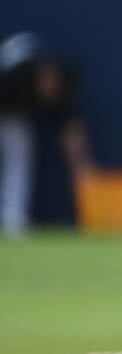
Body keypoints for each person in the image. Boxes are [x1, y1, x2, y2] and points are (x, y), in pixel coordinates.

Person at [0, 32, 93, 237]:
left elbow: (70, 129)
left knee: (21, 148)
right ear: (42, 73)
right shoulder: (14, 77)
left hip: (13, 117)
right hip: (5, 104)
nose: (51, 90)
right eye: (49, 82)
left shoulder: (58, 90)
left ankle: (12, 222)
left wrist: (81, 167)